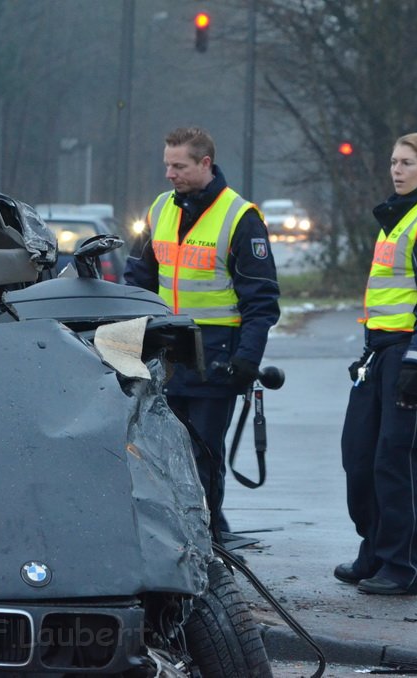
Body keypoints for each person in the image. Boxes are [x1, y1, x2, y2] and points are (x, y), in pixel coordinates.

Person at [124, 126, 280, 541]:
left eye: (179, 166)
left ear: (204, 164)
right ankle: (183, 534)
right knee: (160, 453)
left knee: (204, 454)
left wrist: (248, 358)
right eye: (167, 165)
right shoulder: (159, 209)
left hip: (214, 357)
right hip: (164, 353)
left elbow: (261, 299)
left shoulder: (240, 217)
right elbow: (138, 278)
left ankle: (207, 539)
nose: (169, 174)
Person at [336, 132, 417, 596]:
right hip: (380, 353)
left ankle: (402, 567)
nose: (396, 170)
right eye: (393, 161)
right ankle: (373, 552)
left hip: (413, 357)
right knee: (359, 457)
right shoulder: (396, 219)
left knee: (396, 460)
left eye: (407, 163)